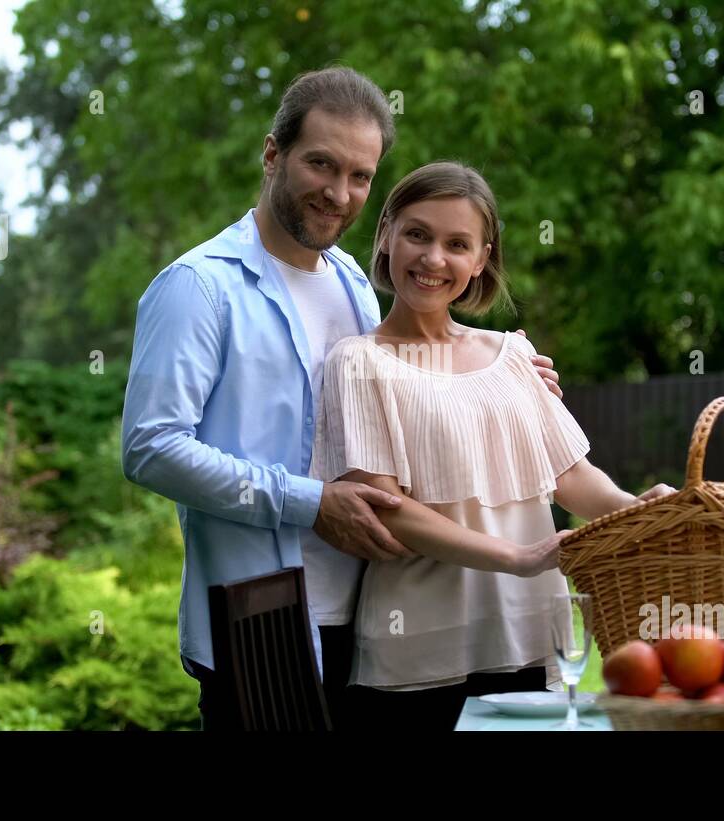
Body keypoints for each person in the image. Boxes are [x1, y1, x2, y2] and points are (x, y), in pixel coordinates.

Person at [120, 67, 569, 730]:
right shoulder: (199, 286)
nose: (339, 193)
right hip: (259, 620)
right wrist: (311, 502)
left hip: (370, 618)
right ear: (273, 155)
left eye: (360, 176)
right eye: (321, 165)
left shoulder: (354, 281)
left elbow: (404, 398)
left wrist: (508, 379)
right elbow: (150, 448)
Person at [311, 161, 674, 731]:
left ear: (481, 260)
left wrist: (640, 511)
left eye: (458, 244)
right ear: (386, 236)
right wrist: (520, 558)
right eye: (417, 234)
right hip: (418, 653)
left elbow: (573, 478)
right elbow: (386, 509)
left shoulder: (513, 355)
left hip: (529, 634)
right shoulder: (358, 361)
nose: (434, 259)